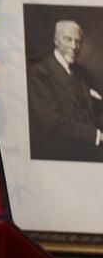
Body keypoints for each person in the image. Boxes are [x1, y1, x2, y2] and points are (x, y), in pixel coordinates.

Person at [27, 19, 103, 162]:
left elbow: (95, 107)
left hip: (89, 146)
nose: (74, 46)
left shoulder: (81, 73)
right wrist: (97, 135)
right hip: (62, 152)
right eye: (68, 39)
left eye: (78, 41)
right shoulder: (38, 72)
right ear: (56, 41)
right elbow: (51, 121)